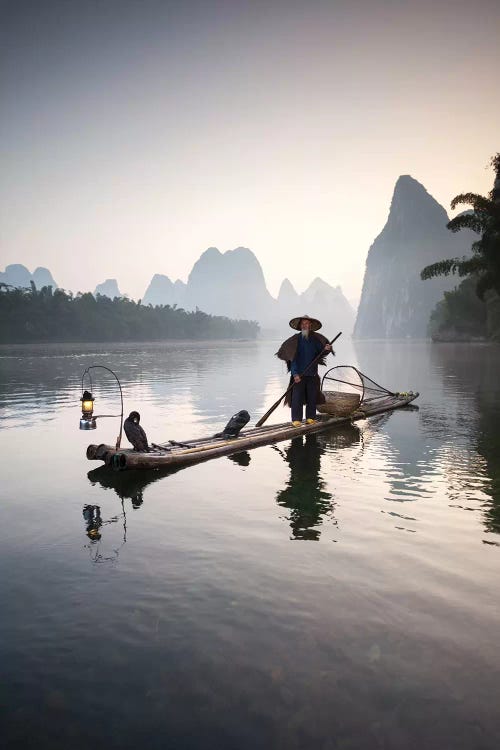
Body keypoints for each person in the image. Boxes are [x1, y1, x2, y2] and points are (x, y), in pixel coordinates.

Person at [276, 315, 332, 426]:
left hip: (312, 374)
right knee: (297, 398)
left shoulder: (315, 340)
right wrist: (295, 374)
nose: (305, 326)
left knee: (312, 396)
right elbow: (293, 358)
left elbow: (321, 352)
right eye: (303, 324)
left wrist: (326, 349)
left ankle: (310, 417)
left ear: (310, 325)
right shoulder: (295, 340)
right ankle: (296, 419)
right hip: (299, 375)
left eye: (307, 324)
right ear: (300, 326)